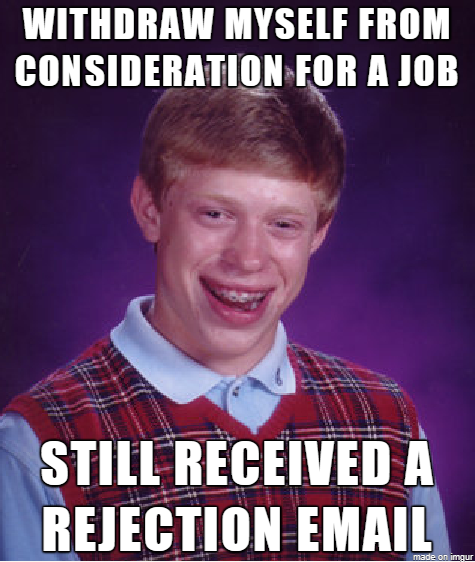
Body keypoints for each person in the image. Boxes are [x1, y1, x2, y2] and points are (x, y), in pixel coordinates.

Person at [0, 63, 449, 560]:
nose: (248, 257)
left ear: (318, 233)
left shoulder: (388, 424)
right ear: (150, 209)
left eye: (283, 224)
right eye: (215, 214)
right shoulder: (38, 447)